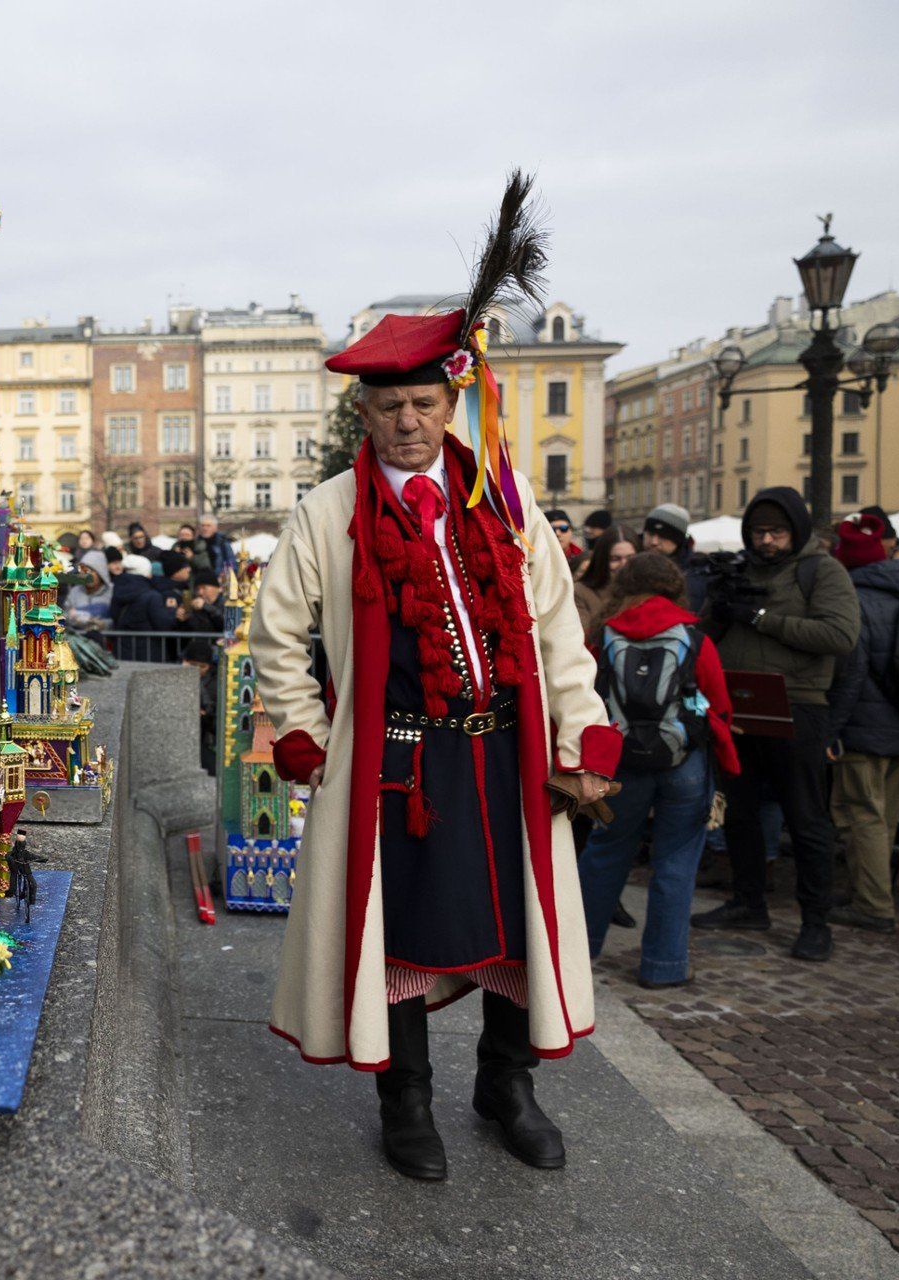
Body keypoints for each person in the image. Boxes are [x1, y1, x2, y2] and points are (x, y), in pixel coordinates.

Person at [253, 179, 618, 1183]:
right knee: (401, 925)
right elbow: (277, 632)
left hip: (507, 749)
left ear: (452, 402)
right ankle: (404, 1097)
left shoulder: (505, 500)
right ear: (364, 412)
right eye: (387, 406)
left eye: (422, 403)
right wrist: (303, 727)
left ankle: (506, 1085)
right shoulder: (329, 511)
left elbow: (557, 630)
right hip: (396, 759)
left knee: (516, 924)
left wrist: (579, 732)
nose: (406, 421)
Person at [693, 487, 859, 961]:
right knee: (740, 811)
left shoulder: (821, 570)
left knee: (806, 818)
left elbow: (841, 634)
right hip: (737, 707)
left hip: (798, 706)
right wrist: (720, 616)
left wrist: (763, 618)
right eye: (759, 532)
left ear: (796, 531)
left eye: (776, 532)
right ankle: (749, 901)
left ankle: (815, 922)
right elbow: (705, 635)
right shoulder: (740, 570)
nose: (766, 541)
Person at [576, 553, 739, 989]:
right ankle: (663, 966)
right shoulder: (693, 636)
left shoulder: (603, 635)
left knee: (604, 854)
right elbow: (719, 703)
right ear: (673, 586)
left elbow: (586, 698)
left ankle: (578, 953)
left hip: (621, 763)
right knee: (676, 861)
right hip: (683, 761)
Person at [825, 513, 899, 934]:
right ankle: (867, 890)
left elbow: (850, 677)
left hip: (865, 728)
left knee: (860, 815)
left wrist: (832, 728)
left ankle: (873, 906)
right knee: (885, 818)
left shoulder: (857, 599)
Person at [116, 549, 186, 662]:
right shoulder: (152, 596)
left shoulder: (117, 592)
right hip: (149, 654)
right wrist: (171, 611)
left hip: (123, 652)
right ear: (147, 573)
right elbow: (164, 626)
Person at [571, 524, 636, 637]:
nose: (624, 565)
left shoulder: (651, 590)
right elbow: (585, 637)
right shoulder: (581, 592)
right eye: (615, 559)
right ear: (602, 559)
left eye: (631, 558)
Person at [64, 549, 114, 630]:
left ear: (100, 572)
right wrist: (72, 618)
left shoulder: (112, 592)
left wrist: (103, 625)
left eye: (90, 571)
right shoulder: (75, 592)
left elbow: (118, 620)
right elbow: (65, 615)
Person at [196, 512, 239, 579]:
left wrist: (227, 573)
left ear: (215, 527)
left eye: (208, 525)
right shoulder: (195, 543)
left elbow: (231, 562)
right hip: (199, 579)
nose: (205, 528)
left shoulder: (223, 543)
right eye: (202, 525)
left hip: (218, 579)